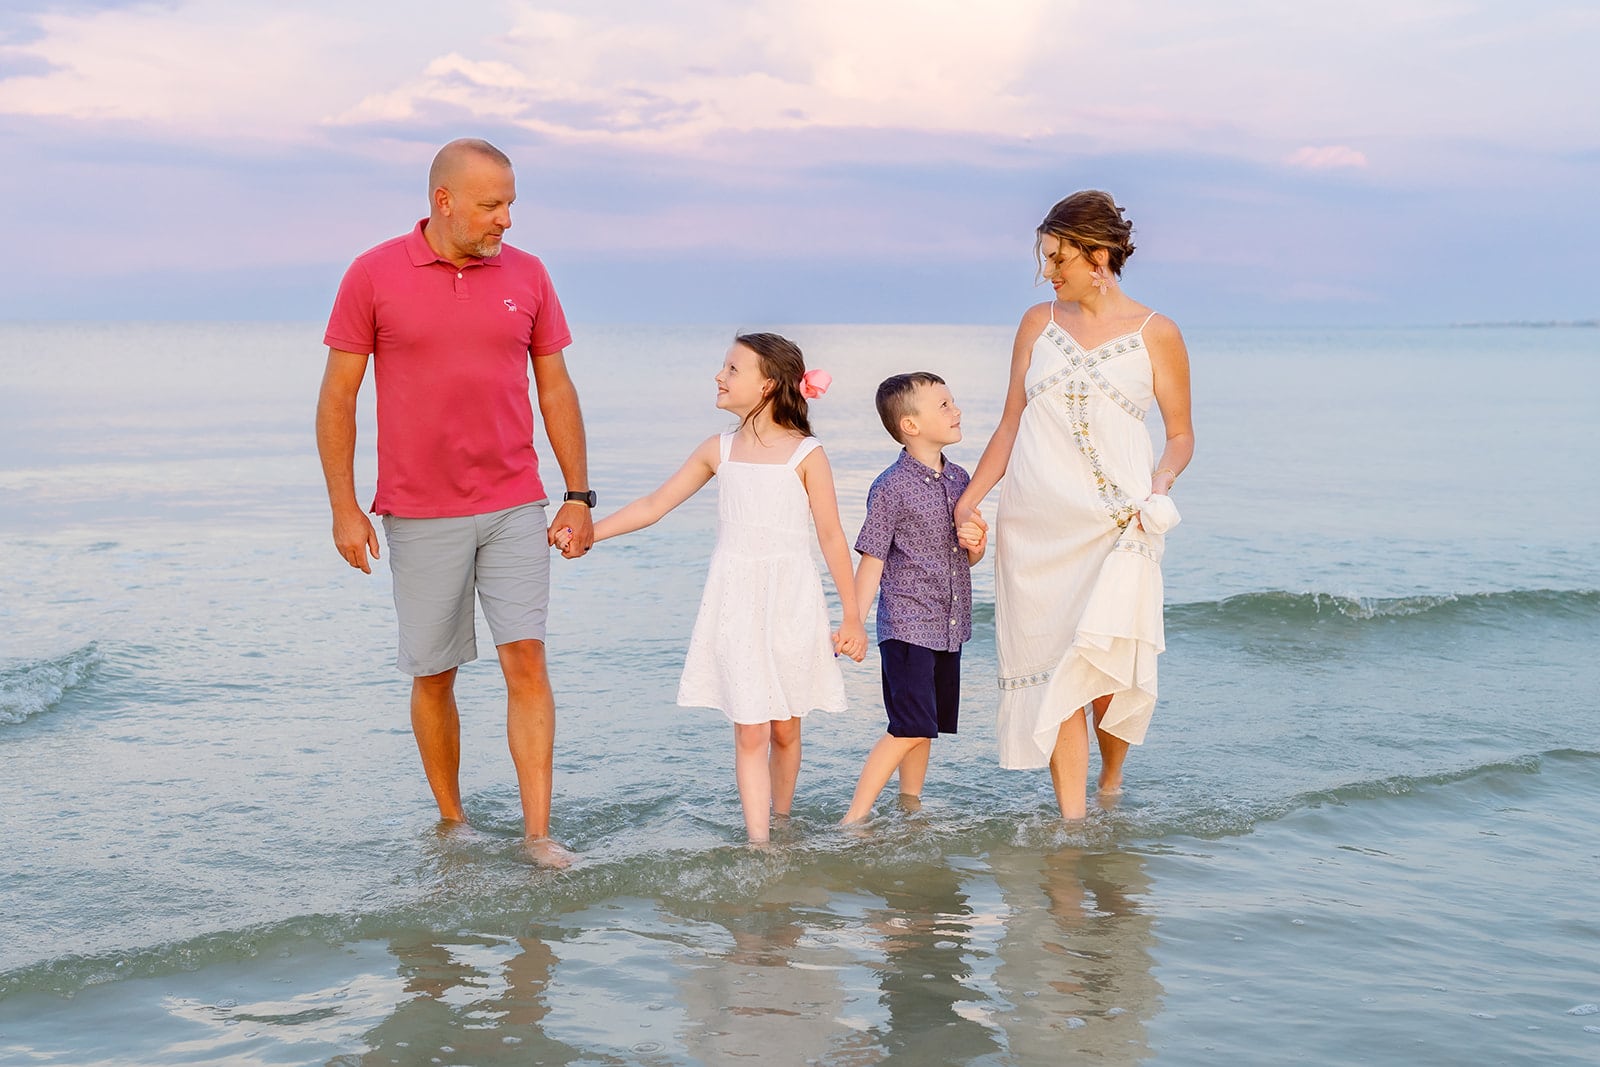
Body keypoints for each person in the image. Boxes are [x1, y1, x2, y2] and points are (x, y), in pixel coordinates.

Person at [315, 138, 595, 867]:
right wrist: (345, 508)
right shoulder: (372, 274)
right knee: (434, 672)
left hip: (514, 502)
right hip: (419, 510)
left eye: (509, 203)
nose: (505, 218)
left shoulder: (528, 274)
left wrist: (577, 495)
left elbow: (555, 387)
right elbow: (338, 398)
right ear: (444, 201)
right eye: (490, 204)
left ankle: (539, 835)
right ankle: (455, 821)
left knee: (526, 659)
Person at [954, 190, 1194, 821]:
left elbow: (1181, 434)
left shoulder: (1156, 333)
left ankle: (1110, 782)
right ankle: (1073, 825)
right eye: (1046, 257)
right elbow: (1010, 423)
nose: (1049, 272)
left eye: (1059, 258)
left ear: (1100, 255)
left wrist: (1161, 483)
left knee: (1108, 671)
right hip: (1034, 528)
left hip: (1118, 524)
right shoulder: (1038, 322)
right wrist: (968, 502)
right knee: (1059, 676)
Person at [571, 333, 868, 844]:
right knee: (751, 726)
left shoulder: (807, 454)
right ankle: (760, 844)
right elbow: (654, 504)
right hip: (735, 601)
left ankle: (781, 820)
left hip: (792, 601)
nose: (719, 376)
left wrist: (852, 616)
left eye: (732, 368)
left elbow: (832, 537)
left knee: (785, 728)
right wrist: (592, 533)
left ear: (768, 384)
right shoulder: (718, 450)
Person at [840, 372, 988, 825]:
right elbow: (872, 560)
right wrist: (854, 622)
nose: (956, 410)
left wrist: (978, 546)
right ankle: (853, 819)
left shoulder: (962, 479)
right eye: (943, 405)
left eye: (953, 401)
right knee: (908, 726)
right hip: (906, 627)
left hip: (948, 627)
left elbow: (968, 558)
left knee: (925, 728)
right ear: (911, 425)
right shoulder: (890, 486)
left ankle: (910, 806)